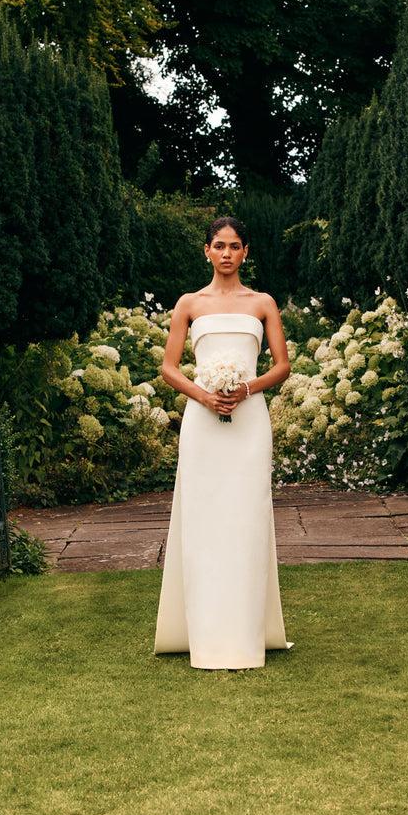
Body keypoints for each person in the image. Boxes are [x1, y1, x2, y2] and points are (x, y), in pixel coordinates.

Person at [154, 216, 294, 670]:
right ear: (207, 251)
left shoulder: (263, 304)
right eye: (220, 245)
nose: (228, 253)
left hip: (251, 422)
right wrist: (205, 395)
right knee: (204, 521)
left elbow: (282, 366)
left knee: (247, 520)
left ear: (246, 252)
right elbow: (170, 368)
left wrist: (246, 390)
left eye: (235, 246)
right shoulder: (189, 304)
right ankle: (204, 635)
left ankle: (247, 634)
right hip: (203, 422)